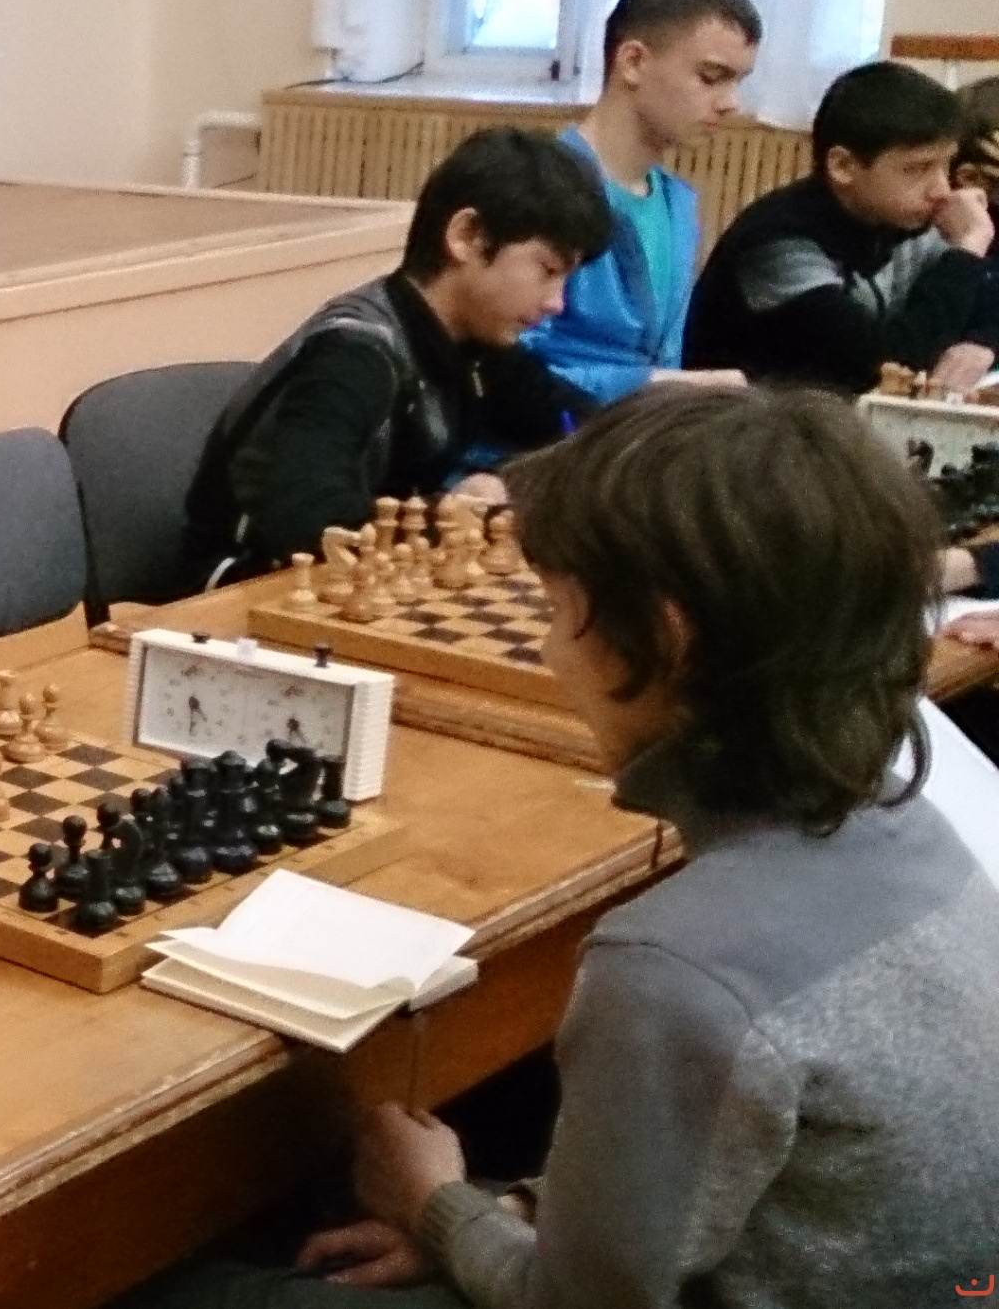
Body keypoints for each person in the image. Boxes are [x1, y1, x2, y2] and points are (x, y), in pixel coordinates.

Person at [126, 386, 999, 1307]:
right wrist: (501, 1213)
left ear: (667, 636)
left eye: (555, 611)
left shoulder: (675, 965)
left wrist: (437, 1205)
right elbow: (730, 1158)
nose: (545, 649)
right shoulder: (915, 827)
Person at [182, 127, 610, 585]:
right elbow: (309, 521)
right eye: (548, 270)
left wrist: (505, 482)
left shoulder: (478, 346)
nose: (556, 302)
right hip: (244, 590)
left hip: (367, 582)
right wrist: (452, 515)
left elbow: (581, 426)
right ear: (466, 236)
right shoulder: (354, 354)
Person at [514, 0, 759, 402]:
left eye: (738, 82)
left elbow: (664, 357)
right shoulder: (537, 187)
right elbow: (506, 369)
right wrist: (659, 386)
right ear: (633, 62)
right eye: (710, 77)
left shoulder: (678, 203)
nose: (730, 103)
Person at [683, 59, 999, 394]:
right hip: (737, 420)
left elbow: (982, 304)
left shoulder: (908, 219)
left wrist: (982, 341)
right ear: (843, 166)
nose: (941, 189)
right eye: (916, 169)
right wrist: (967, 251)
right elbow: (884, 365)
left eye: (944, 165)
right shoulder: (776, 242)